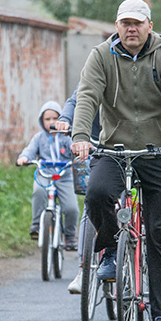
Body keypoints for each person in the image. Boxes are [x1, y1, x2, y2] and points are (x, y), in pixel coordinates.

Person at [71, 0, 161, 321]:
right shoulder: (101, 56)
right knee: (97, 193)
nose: (131, 29)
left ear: (149, 26)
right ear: (117, 26)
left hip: (160, 152)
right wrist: (81, 137)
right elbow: (87, 96)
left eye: (137, 23)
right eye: (125, 23)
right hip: (114, 149)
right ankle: (111, 247)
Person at [54, 85, 101, 295]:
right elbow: (76, 99)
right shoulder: (97, 70)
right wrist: (65, 118)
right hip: (96, 144)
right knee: (92, 202)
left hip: (128, 143)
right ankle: (84, 269)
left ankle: (134, 257)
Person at [16, 100, 79, 250]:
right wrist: (24, 158)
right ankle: (37, 224)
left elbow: (75, 149)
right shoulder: (39, 138)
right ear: (42, 121)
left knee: (71, 208)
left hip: (64, 175)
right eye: (47, 119)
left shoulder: (66, 137)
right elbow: (30, 150)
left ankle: (70, 236)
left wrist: (78, 155)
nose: (51, 122)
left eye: (55, 118)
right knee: (38, 192)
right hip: (44, 173)